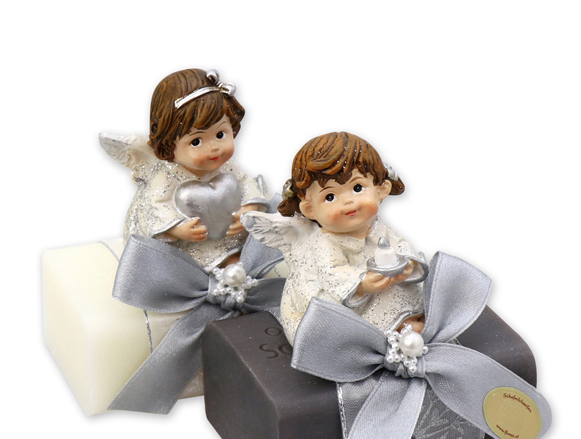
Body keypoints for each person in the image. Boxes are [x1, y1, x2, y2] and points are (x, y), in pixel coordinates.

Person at [241, 131, 425, 345]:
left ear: (381, 189)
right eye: (330, 196)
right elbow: (332, 273)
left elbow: (399, 244)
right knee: (376, 299)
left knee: (402, 290)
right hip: (337, 297)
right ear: (310, 209)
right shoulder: (324, 242)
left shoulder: (377, 226)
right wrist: (361, 284)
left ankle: (408, 320)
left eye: (357, 188)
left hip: (377, 284)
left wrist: (407, 264)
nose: (348, 202)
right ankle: (389, 334)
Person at [100, 68, 270, 272]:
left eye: (220, 134)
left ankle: (236, 268)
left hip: (227, 238)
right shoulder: (166, 175)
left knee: (244, 259)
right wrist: (177, 228)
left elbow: (246, 184)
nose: (214, 148)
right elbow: (155, 205)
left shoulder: (226, 167)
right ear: (170, 143)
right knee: (181, 268)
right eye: (196, 141)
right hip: (186, 247)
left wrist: (248, 209)